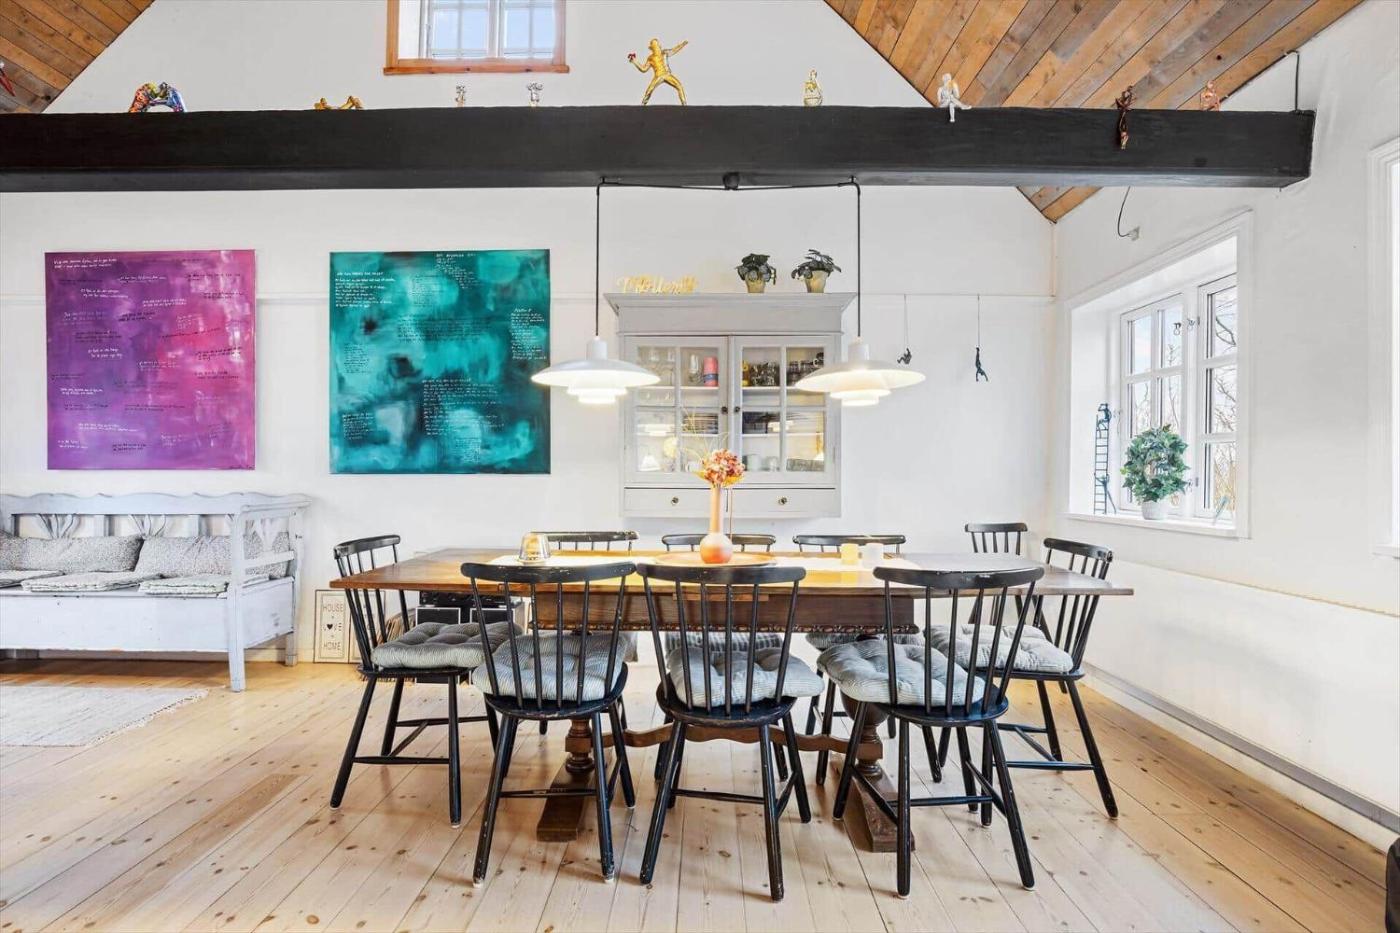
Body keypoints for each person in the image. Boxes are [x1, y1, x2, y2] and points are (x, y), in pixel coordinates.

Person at [628, 38, 688, 105]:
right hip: (658, 76)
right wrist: (634, 61)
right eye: (656, 46)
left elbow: (674, 50)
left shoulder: (664, 53)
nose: (659, 47)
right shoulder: (651, 58)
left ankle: (685, 106)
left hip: (667, 74)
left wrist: (682, 44)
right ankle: (642, 106)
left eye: (658, 45)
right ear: (653, 48)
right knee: (649, 90)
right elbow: (643, 69)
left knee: (679, 86)